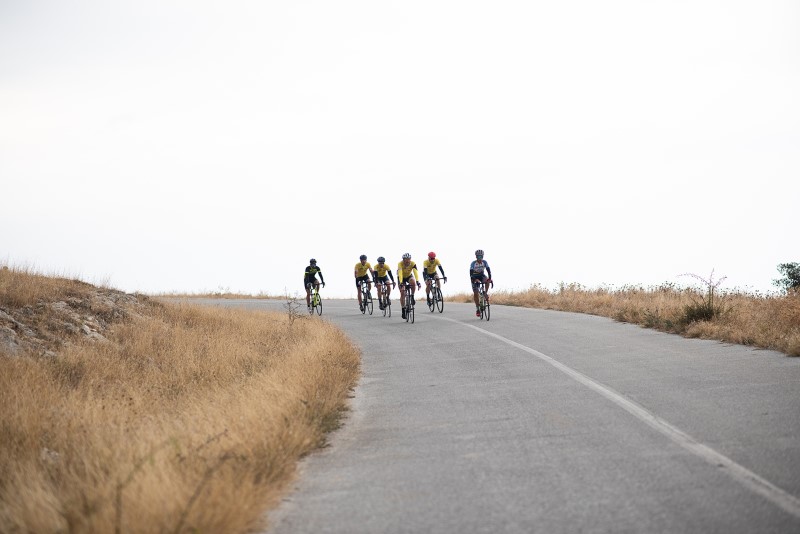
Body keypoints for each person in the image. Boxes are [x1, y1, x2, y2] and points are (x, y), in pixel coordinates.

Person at [397, 252, 421, 320]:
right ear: (403, 260)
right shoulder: (400, 264)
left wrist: (417, 281)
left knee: (413, 282)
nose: (407, 261)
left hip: (409, 276)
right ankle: (403, 309)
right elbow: (400, 273)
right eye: (406, 260)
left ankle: (412, 296)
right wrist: (401, 282)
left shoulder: (413, 263)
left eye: (409, 259)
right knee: (402, 293)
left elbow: (415, 272)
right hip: (401, 278)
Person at [469, 249, 492, 317]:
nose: (480, 258)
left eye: (481, 256)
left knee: (487, 280)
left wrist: (490, 278)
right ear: (476, 257)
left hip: (481, 276)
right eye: (478, 256)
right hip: (474, 277)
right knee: (476, 293)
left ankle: (485, 293)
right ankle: (477, 309)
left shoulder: (484, 262)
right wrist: (475, 279)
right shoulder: (473, 263)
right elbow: (471, 274)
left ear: (483, 256)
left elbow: (488, 271)